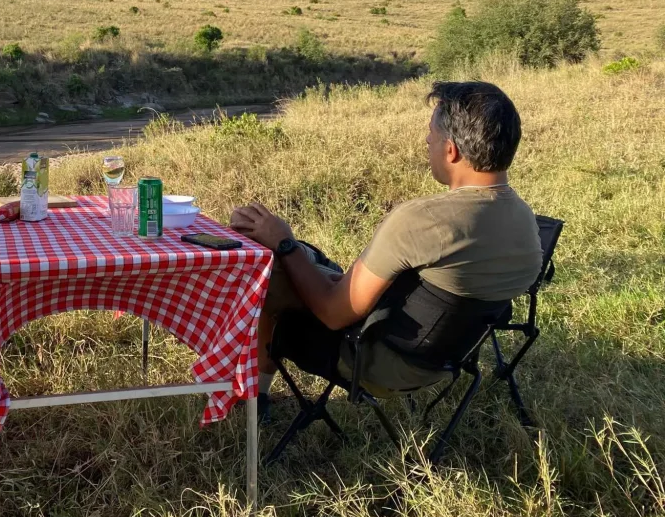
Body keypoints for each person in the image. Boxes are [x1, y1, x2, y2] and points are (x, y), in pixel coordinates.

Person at [230, 80, 543, 419]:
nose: (427, 142)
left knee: (262, 273)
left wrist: (283, 242)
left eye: (431, 134)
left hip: (372, 362)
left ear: (451, 150)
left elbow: (334, 314)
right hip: (443, 358)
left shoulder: (425, 220)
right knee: (306, 259)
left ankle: (252, 398)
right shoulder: (527, 222)